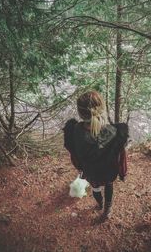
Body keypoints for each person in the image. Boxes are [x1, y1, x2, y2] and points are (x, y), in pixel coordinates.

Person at [63, 90, 128, 219]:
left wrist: (81, 168)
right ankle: (107, 210)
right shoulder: (114, 132)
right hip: (109, 172)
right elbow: (122, 158)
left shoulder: (74, 131)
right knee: (109, 185)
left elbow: (75, 156)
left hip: (91, 172)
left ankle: (99, 204)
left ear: (81, 113)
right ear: (101, 109)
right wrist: (122, 174)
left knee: (96, 188)